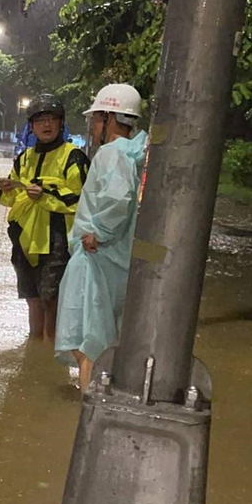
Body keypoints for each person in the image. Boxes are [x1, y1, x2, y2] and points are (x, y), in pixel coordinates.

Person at [54, 84, 149, 391]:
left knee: (86, 343)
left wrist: (98, 233)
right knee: (98, 337)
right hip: (113, 260)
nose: (93, 126)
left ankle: (89, 411)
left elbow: (119, 198)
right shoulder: (131, 155)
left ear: (108, 117)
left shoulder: (111, 153)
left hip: (95, 258)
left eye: (96, 119)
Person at [0, 94, 90, 341]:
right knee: (32, 299)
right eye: (40, 121)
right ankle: (35, 352)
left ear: (61, 123)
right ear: (31, 126)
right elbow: (9, 201)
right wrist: (6, 189)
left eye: (52, 119)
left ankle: (52, 356)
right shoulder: (24, 158)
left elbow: (81, 199)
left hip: (57, 240)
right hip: (24, 238)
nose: (46, 125)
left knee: (52, 300)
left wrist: (45, 194)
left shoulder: (74, 156)